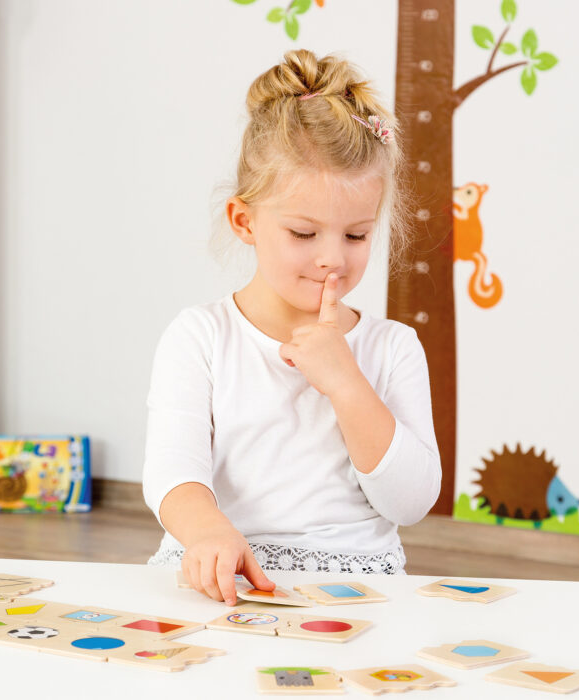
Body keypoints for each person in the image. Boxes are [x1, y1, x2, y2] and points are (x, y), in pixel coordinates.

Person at [142, 49, 441, 606]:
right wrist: (206, 530)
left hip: (357, 581)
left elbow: (411, 502)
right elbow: (171, 469)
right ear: (244, 221)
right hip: (222, 574)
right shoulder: (200, 337)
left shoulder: (392, 346)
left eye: (355, 236)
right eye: (304, 233)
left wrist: (346, 382)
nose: (333, 258)